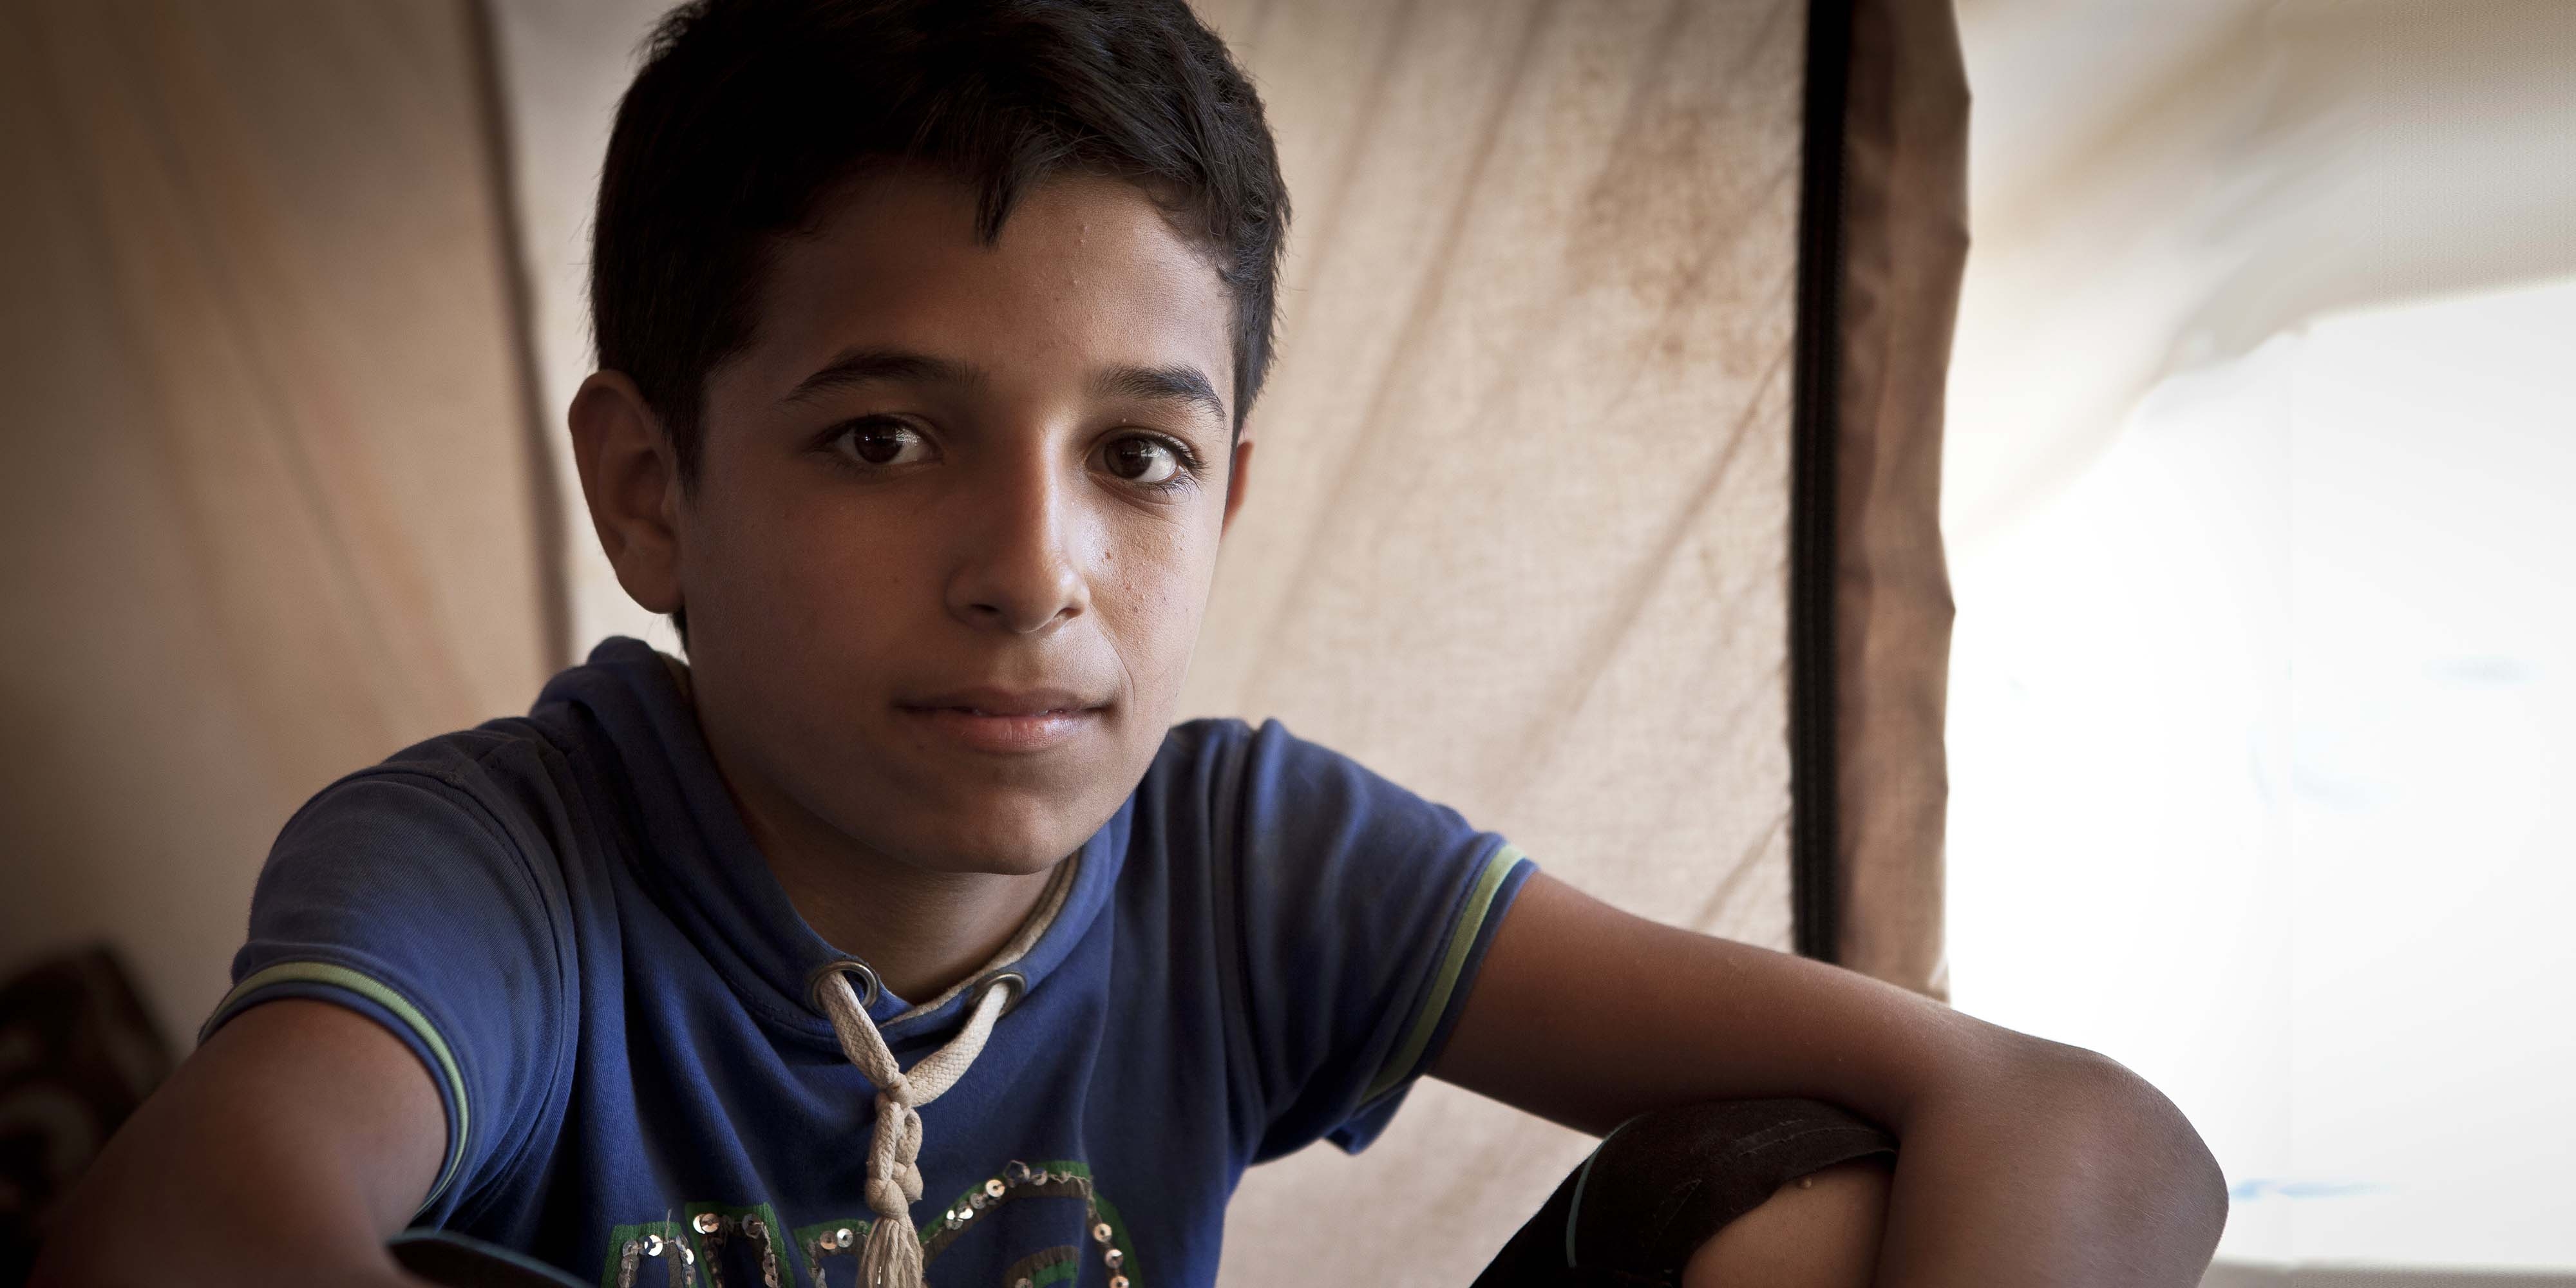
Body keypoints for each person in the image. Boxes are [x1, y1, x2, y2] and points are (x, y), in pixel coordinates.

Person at [31, 2, 2226, 1285]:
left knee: (1795, 1208)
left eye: (1140, 459)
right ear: (652, 492)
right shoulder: (504, 867)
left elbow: (2078, 1126)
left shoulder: (1245, 862)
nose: (1031, 568)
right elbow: (186, 1230)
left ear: (1227, 498)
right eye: (884, 437)